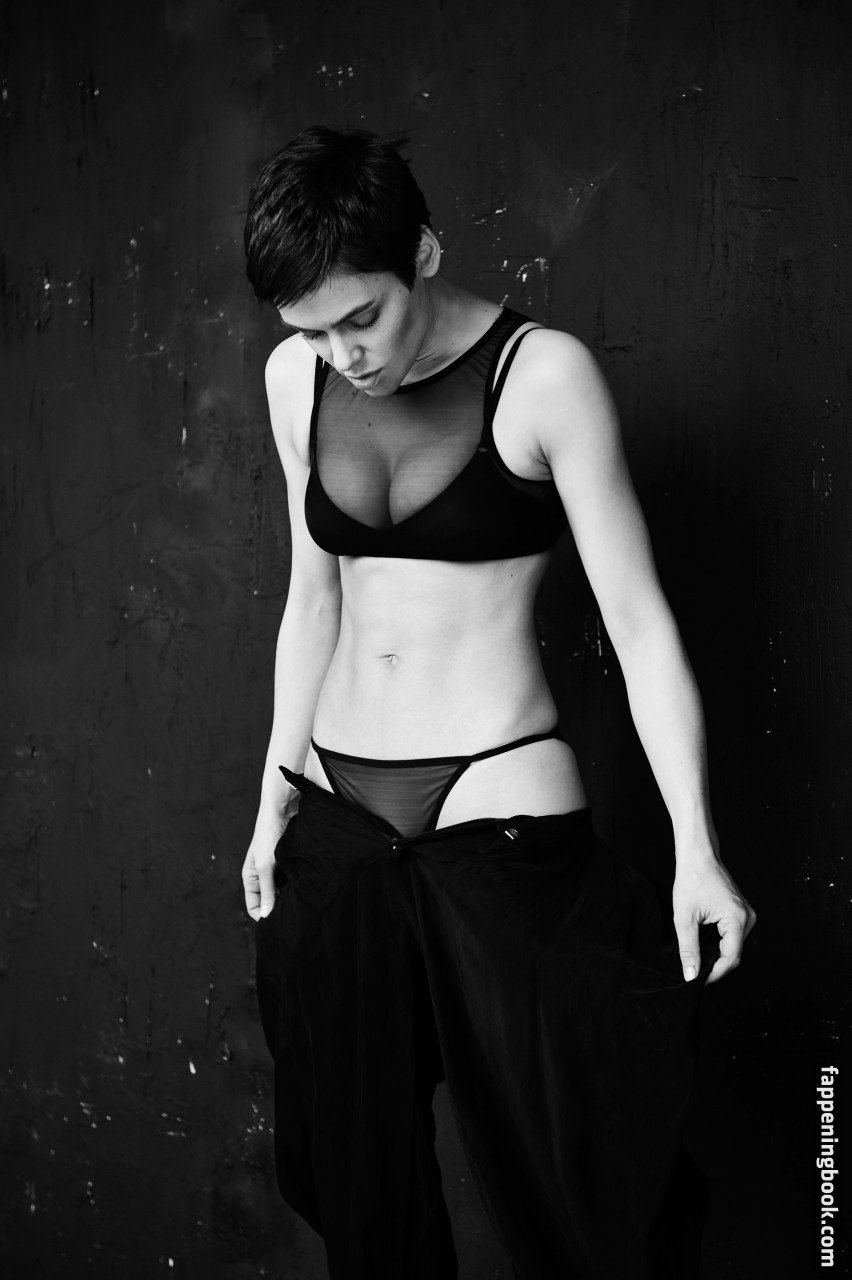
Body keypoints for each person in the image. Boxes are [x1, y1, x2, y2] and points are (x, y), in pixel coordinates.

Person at [241, 125, 756, 1280]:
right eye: (311, 330)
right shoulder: (294, 380)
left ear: (423, 253)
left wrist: (698, 848)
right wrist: (273, 796)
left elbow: (639, 621)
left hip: (496, 806)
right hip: (336, 811)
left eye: (360, 318)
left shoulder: (543, 374)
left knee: (586, 1186)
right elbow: (313, 598)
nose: (341, 354)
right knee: (360, 1185)